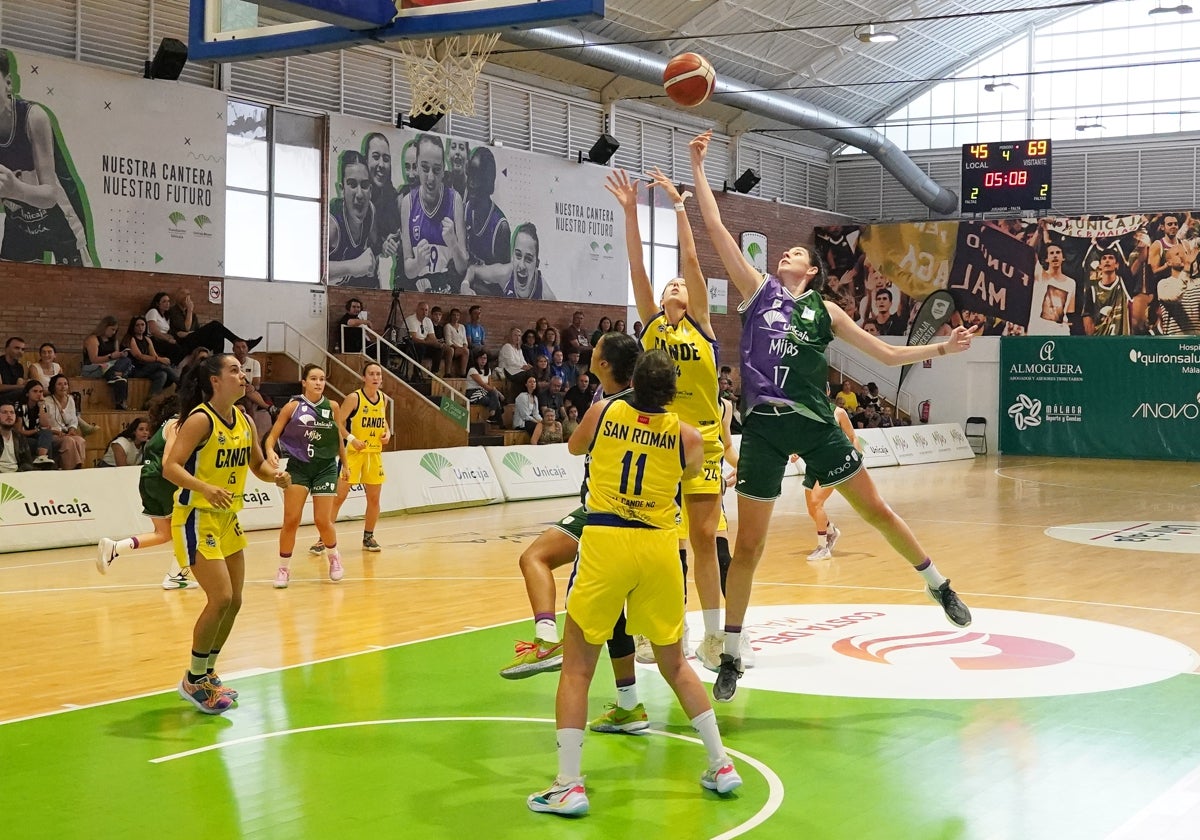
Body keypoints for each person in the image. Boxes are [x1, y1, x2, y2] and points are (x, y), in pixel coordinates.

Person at [689, 128, 976, 702]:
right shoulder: (757, 291)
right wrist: (699, 165)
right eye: (784, 253)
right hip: (766, 430)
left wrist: (943, 349)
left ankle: (937, 585)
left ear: (812, 271)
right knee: (748, 548)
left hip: (818, 426)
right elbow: (716, 228)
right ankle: (732, 652)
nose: (784, 255)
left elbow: (888, 352)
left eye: (795, 253)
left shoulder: (828, 310)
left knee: (876, 510)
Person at [527, 349, 741, 817]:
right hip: (660, 549)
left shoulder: (604, 411)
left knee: (578, 668)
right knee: (676, 665)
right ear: (673, 392)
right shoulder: (688, 437)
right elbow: (685, 475)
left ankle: (568, 784)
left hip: (606, 541)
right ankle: (721, 764)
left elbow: (574, 447)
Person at [606, 166, 727, 669]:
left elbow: (694, 260)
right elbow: (636, 265)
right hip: (657, 446)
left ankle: (716, 636)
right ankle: (658, 629)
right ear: (657, 300)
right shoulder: (652, 324)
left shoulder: (701, 323)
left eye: (679, 283)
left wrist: (679, 206)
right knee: (654, 543)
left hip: (705, 443)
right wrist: (631, 211)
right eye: (669, 284)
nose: (675, 283)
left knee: (703, 540)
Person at [162, 354, 290, 714]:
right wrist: (204, 487)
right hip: (196, 515)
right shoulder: (201, 419)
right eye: (234, 370)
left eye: (242, 369)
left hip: (228, 517)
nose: (242, 375)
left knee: (234, 601)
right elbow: (170, 467)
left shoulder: (246, 420)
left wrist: (274, 475)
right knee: (219, 598)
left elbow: (257, 466)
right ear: (215, 381)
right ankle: (192, 678)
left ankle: (207, 673)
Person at [0, 50, 95, 266]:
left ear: (8, 83)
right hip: (18, 220)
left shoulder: (34, 118)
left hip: (59, 217)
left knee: (78, 294)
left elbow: (50, 196)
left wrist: (14, 189)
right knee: (10, 294)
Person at [95, 394, 199, 589]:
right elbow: (169, 460)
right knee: (187, 527)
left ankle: (115, 548)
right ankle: (177, 575)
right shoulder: (177, 424)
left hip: (147, 479)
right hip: (164, 479)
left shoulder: (163, 426)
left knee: (163, 533)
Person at [266, 364, 347, 588]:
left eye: (322, 379)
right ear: (304, 382)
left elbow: (337, 438)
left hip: (325, 468)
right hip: (298, 467)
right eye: (313, 378)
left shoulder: (332, 406)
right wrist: (271, 451)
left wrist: (346, 463)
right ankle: (283, 568)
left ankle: (334, 557)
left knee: (323, 520)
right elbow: (271, 437)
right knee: (291, 520)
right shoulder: (292, 407)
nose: (318, 382)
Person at [322, 361, 391, 554]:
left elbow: (383, 420)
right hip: (353, 454)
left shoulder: (383, 398)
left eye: (379, 374)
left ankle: (368, 537)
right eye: (372, 374)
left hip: (374, 454)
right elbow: (338, 423)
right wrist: (351, 439)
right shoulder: (354, 398)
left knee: (374, 499)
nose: (376, 377)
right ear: (364, 377)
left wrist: (388, 433)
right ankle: (323, 539)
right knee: (339, 497)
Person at [393, 133, 467, 293]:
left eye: (437, 169)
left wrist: (453, 244)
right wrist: (418, 262)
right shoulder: (408, 202)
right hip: (418, 294)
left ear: (443, 169)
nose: (431, 177)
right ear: (417, 166)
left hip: (446, 294)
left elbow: (462, 267)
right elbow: (408, 270)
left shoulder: (455, 200)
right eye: (425, 168)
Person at [804, 397, 861, 562]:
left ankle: (823, 547)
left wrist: (857, 460)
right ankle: (831, 531)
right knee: (811, 509)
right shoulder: (807, 412)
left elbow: (853, 437)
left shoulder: (839, 412)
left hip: (834, 463)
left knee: (817, 502)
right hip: (813, 463)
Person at [462, 146, 511, 294]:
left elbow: (504, 282)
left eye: (476, 179)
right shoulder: (468, 208)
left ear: (488, 183)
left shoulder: (500, 227)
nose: (471, 184)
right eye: (470, 176)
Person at [328, 151, 379, 288]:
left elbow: (373, 246)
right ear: (341, 190)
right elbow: (311, 268)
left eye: (364, 185)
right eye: (352, 184)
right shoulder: (332, 226)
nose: (359, 194)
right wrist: (352, 266)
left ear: (371, 190)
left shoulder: (371, 212)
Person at [82, 315, 133, 410]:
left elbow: (117, 358)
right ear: (105, 327)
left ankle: (114, 376)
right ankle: (121, 402)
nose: (113, 332)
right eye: (112, 329)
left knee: (127, 361)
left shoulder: (114, 341)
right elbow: (93, 359)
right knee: (121, 378)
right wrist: (110, 356)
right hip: (95, 367)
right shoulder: (93, 339)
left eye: (115, 330)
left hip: (111, 366)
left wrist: (120, 355)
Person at [122, 316, 178, 402]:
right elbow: (139, 356)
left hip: (147, 368)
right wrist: (159, 359)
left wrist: (159, 359)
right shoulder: (130, 338)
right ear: (133, 327)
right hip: (135, 369)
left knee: (162, 374)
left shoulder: (147, 339)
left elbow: (154, 355)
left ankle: (150, 401)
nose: (140, 327)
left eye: (142, 325)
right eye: (137, 325)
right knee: (160, 364)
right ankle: (180, 382)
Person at [42, 374, 88, 470]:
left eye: (65, 384)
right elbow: (44, 424)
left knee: (80, 440)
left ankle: (79, 468)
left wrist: (72, 429)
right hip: (53, 434)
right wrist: (57, 432)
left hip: (66, 433)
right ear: (53, 387)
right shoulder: (46, 401)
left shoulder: (70, 399)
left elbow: (73, 419)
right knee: (69, 441)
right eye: (59, 384)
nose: (63, 387)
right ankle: (69, 470)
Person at [14, 380, 55, 466]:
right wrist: (36, 430)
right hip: (22, 438)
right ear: (27, 393)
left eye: (41, 392)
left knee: (47, 434)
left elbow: (45, 426)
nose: (39, 394)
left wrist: (42, 406)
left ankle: (42, 458)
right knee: (46, 444)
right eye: (35, 391)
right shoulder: (20, 406)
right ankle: (46, 465)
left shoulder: (40, 405)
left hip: (36, 436)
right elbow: (18, 431)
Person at [465, 347, 504, 425]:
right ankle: (498, 419)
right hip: (473, 393)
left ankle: (493, 416)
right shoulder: (472, 370)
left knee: (494, 394)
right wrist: (498, 393)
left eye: (485, 358)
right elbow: (482, 384)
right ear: (477, 359)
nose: (483, 360)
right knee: (495, 400)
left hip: (484, 391)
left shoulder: (488, 370)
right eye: (481, 358)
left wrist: (497, 392)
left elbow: (489, 385)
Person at [405, 301, 445, 375]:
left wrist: (437, 343)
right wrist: (427, 342)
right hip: (409, 345)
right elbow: (413, 338)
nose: (424, 312)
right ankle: (416, 374)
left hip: (423, 343)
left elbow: (432, 338)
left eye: (426, 310)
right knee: (421, 347)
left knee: (439, 348)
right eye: (422, 309)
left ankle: (434, 373)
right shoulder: (411, 319)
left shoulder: (428, 321)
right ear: (417, 310)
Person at [0, 401, 34, 472]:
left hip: (17, 474)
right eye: (5, 412)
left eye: (12, 412)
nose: (9, 415)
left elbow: (28, 462)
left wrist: (19, 472)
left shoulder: (20, 438)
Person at [442, 307, 470, 377]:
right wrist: (460, 348)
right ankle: (449, 373)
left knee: (466, 350)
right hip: (453, 348)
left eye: (457, 315)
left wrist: (464, 347)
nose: (456, 317)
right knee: (464, 351)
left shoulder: (462, 327)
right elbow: (449, 342)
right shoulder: (447, 326)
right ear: (451, 316)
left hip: (461, 348)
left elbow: (465, 341)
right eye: (454, 315)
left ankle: (463, 373)